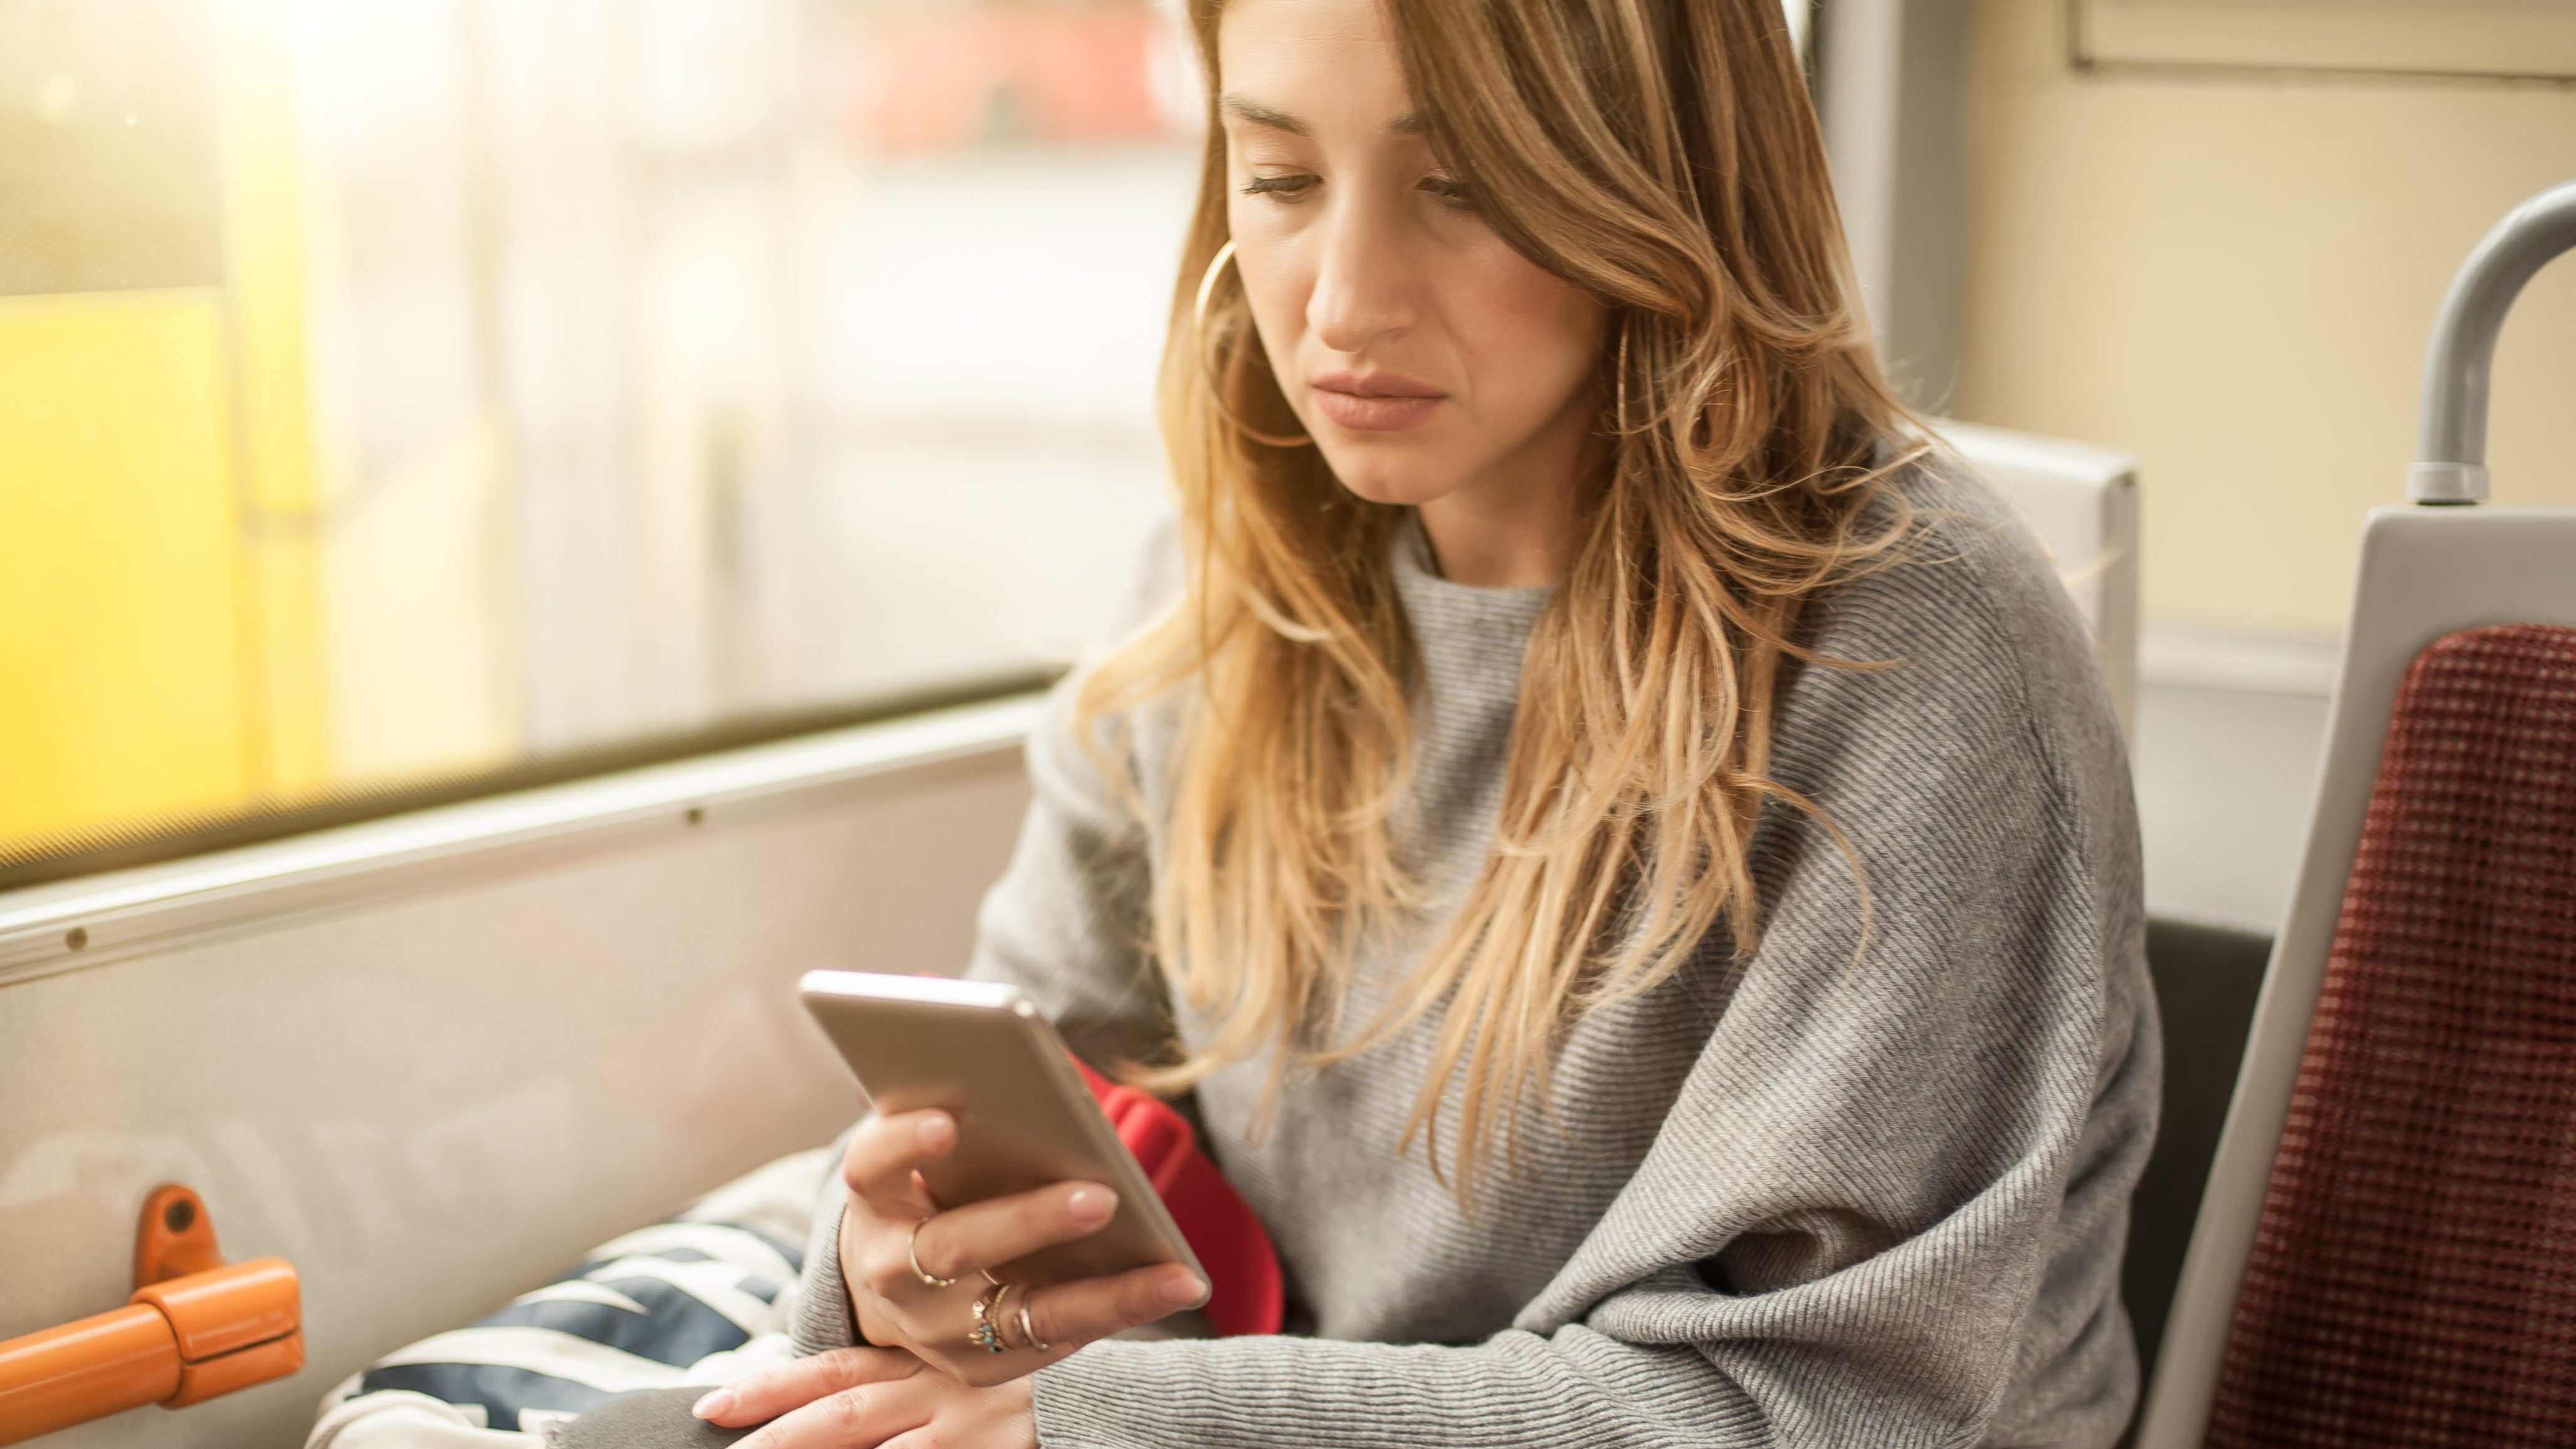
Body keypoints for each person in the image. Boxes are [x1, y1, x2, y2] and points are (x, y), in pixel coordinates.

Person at [692, 0, 2156, 1443]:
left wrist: (1101, 1424)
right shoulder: (1224, 601)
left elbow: (1804, 1407)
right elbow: (1027, 1088)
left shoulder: (1923, 662)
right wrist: (892, 1268)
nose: (1339, 306)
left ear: (1662, 190)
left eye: (1459, 188)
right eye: (1277, 180)